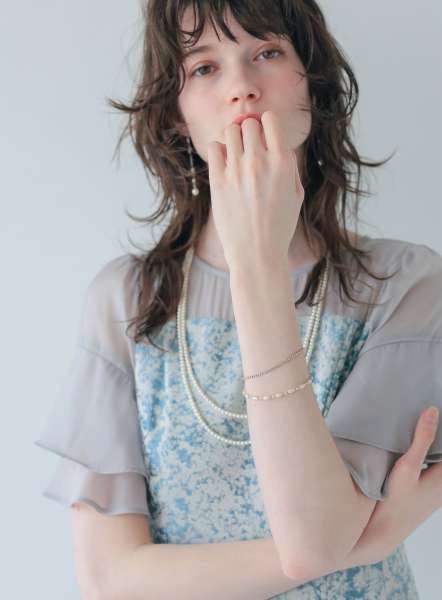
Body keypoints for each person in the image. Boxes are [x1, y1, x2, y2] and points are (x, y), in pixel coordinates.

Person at [34, 1, 442, 598]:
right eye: (204, 67)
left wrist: (257, 263)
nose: (242, 87)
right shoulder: (127, 299)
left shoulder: (402, 282)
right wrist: (368, 540)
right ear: (175, 114)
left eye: (267, 52)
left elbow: (313, 539)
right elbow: (109, 578)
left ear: (314, 84)